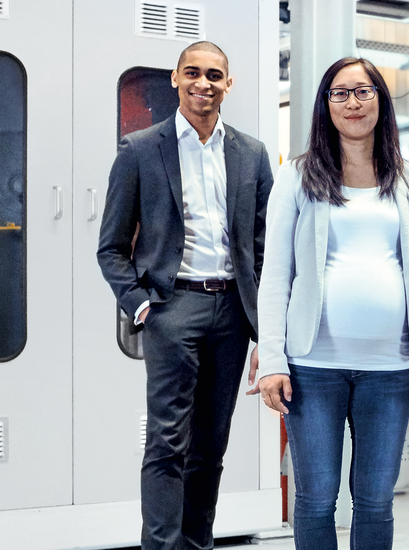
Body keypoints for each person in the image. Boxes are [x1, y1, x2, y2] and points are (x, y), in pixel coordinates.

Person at [251, 57, 409, 550]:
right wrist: (272, 359)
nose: (352, 103)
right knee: (316, 498)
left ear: (380, 99)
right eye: (340, 93)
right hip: (313, 364)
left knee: (377, 501)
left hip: (390, 368)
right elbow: (275, 275)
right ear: (325, 105)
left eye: (363, 92)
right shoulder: (297, 177)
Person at [95, 40, 275, 550]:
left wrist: (265, 328)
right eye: (192, 73)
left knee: (210, 447)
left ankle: (197, 545)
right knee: (168, 443)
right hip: (173, 309)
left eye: (214, 75)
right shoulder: (140, 149)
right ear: (175, 79)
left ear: (228, 84)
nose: (204, 83)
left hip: (233, 315)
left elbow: (262, 250)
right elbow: (110, 247)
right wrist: (143, 305)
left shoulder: (252, 154)